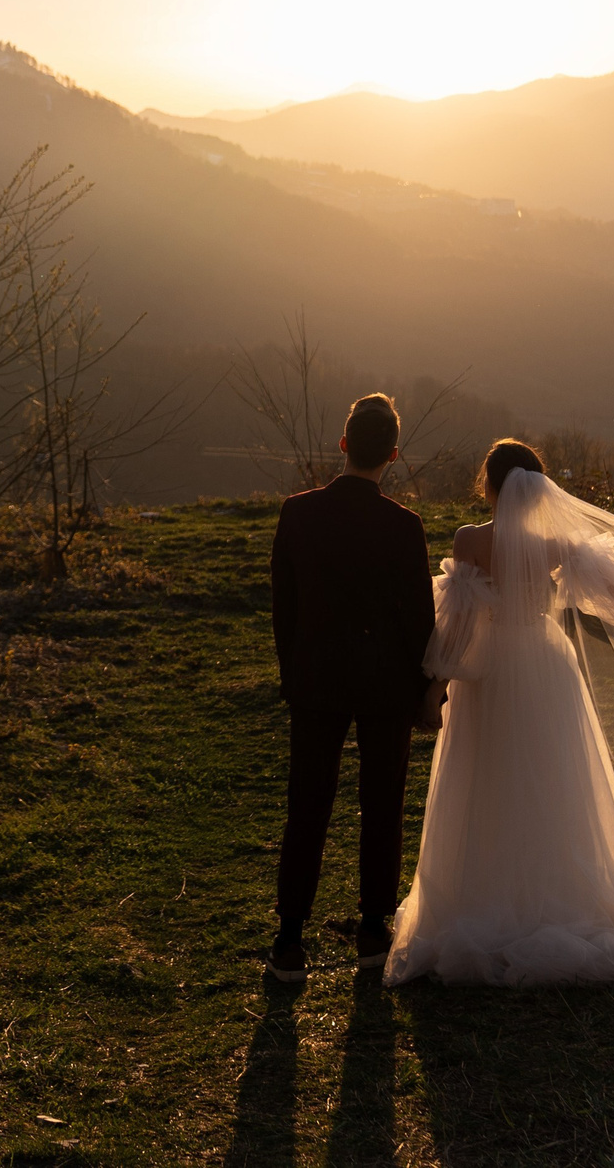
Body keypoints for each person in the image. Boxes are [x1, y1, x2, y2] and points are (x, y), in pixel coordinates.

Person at [384, 438, 614, 987]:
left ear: (488, 484)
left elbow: (459, 625)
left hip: (491, 673)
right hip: (547, 663)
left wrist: (434, 689)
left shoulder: (470, 541)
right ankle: (562, 891)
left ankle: (482, 895)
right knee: (555, 779)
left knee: (488, 778)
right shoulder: (556, 545)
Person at [264, 392, 437, 982]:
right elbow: (419, 619)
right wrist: (422, 690)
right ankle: (371, 930)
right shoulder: (405, 526)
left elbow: (283, 607)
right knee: (382, 805)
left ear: (342, 445)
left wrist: (295, 672)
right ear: (393, 454)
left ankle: (290, 940)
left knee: (307, 805)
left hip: (315, 679)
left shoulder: (297, 513)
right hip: (386, 684)